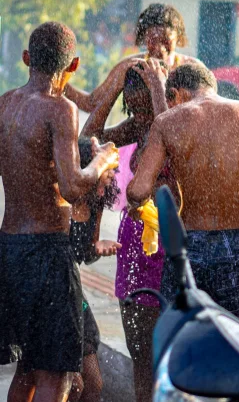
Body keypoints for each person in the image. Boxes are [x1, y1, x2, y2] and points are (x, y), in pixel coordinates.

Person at [0, 22, 119, 402]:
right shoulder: (60, 108)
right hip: (46, 251)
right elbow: (71, 186)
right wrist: (102, 161)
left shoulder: (4, 103)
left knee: (27, 368)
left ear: (26, 59)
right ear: (74, 66)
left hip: (9, 247)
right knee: (57, 373)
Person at [127, 65, 239, 333]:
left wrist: (140, 206)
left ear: (176, 94)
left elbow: (138, 190)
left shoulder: (167, 121)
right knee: (238, 344)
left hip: (188, 245)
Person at [80, 59, 173, 402]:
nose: (139, 116)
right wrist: (114, 89)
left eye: (143, 107)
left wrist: (159, 92)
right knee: (139, 351)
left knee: (164, 352)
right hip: (134, 241)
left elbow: (172, 155)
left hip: (167, 240)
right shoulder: (138, 127)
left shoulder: (175, 122)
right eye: (131, 108)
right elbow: (90, 139)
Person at [65, 4, 201, 112]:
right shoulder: (130, 66)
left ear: (178, 38)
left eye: (165, 40)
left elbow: (207, 110)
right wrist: (58, 78)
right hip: (141, 142)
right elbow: (92, 103)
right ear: (144, 38)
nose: (159, 48)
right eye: (153, 40)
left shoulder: (194, 70)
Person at [68, 137, 122, 402]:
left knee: (93, 385)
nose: (112, 174)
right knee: (70, 384)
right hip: (54, 292)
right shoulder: (64, 199)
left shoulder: (96, 203)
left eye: (113, 170)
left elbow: (85, 253)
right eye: (107, 169)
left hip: (73, 292)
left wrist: (97, 248)